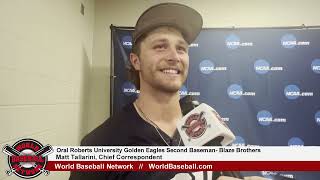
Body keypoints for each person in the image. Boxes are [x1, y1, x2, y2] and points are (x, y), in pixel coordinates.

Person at [69, 3, 267, 180]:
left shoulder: (205, 124)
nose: (174, 56)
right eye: (160, 47)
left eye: (181, 49)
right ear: (135, 61)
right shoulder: (101, 144)